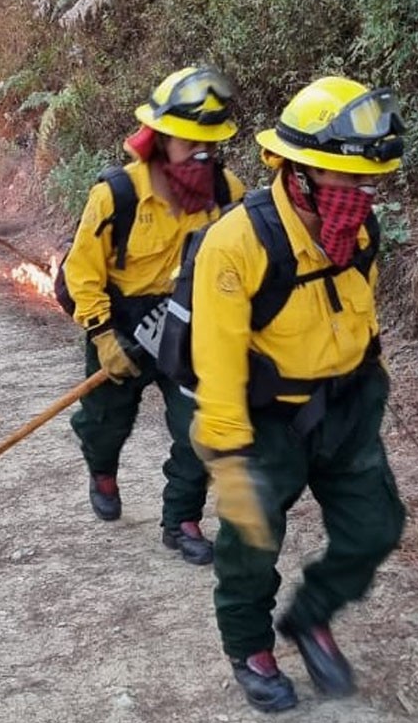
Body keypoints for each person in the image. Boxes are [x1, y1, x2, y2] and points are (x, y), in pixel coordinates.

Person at [188, 76, 407, 711]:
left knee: (377, 527)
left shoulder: (359, 231)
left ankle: (310, 616)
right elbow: (219, 360)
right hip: (263, 424)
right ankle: (250, 647)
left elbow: (357, 310)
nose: (362, 198)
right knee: (249, 548)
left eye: (371, 185)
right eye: (349, 183)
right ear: (299, 172)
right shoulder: (236, 243)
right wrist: (228, 459)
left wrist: (365, 380)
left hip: (347, 406)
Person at [60, 66, 246, 565]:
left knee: (200, 427)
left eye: (210, 145)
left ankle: (181, 519)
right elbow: (81, 273)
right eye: (190, 144)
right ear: (162, 138)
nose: (202, 155)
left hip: (190, 328)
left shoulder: (228, 194)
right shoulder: (115, 195)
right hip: (121, 322)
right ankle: (102, 469)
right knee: (104, 421)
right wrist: (102, 336)